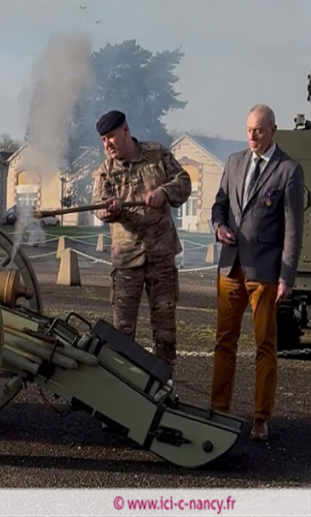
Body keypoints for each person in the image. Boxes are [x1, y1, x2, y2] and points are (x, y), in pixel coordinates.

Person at [210, 103, 305, 442]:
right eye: (249, 129)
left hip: (264, 273)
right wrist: (219, 226)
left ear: (272, 131)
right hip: (230, 267)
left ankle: (260, 419)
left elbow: (293, 230)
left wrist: (286, 277)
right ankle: (218, 411)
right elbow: (219, 205)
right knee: (224, 341)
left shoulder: (288, 171)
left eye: (259, 130)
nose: (252, 136)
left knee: (265, 345)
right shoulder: (234, 162)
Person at [91, 110, 192, 370]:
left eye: (110, 137)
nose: (107, 144)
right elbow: (98, 206)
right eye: (103, 140)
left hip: (161, 258)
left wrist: (164, 192)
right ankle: (124, 388)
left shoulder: (156, 154)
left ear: (125, 131)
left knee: (165, 331)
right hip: (127, 261)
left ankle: (164, 384)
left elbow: (184, 182)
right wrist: (111, 209)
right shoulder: (104, 171)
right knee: (122, 335)